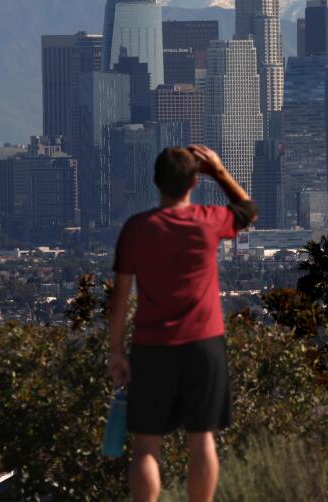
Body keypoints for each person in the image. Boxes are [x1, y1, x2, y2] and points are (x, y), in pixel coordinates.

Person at [107, 145, 258, 502]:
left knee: (146, 445)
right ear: (194, 182)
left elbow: (120, 297)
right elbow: (248, 211)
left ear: (155, 182)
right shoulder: (208, 220)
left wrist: (115, 351)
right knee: (202, 438)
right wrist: (219, 172)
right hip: (204, 343)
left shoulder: (136, 229)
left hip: (152, 346)